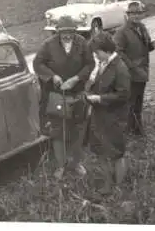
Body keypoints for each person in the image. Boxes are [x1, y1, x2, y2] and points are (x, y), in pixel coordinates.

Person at [33, 15, 94, 180]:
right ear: (57, 32)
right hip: (57, 96)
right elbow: (37, 64)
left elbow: (90, 64)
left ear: (75, 31)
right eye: (63, 32)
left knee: (78, 129)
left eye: (70, 32)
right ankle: (61, 165)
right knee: (58, 131)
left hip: (77, 94)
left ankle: (76, 163)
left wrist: (77, 78)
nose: (67, 36)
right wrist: (53, 76)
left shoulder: (83, 43)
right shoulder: (48, 45)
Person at [85, 31, 131, 194]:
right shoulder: (104, 64)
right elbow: (99, 83)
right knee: (101, 151)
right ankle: (108, 184)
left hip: (115, 117)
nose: (96, 57)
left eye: (97, 53)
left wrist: (100, 98)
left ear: (106, 50)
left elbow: (123, 95)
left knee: (116, 152)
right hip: (101, 116)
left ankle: (119, 187)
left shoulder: (120, 67)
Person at [113, 1, 155, 136]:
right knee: (130, 103)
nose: (137, 16)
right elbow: (118, 53)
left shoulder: (142, 27)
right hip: (130, 74)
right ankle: (127, 132)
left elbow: (145, 46)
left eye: (139, 13)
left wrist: (151, 45)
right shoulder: (121, 32)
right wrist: (132, 67)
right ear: (128, 15)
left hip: (142, 72)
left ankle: (137, 129)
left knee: (138, 102)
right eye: (133, 14)